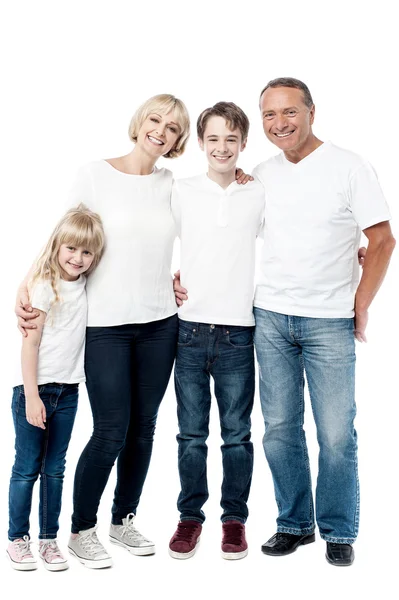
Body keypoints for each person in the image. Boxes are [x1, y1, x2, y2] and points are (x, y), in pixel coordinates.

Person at [15, 94, 191, 569]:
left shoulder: (171, 183)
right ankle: (82, 529)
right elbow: (63, 239)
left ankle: (123, 520)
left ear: (178, 140)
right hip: (106, 327)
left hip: (160, 324)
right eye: (155, 119)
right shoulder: (94, 174)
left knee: (144, 428)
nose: (161, 130)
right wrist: (24, 283)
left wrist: (239, 177)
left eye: (173, 127)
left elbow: (205, 229)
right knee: (111, 428)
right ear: (140, 122)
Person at [252, 78, 395, 566]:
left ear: (312, 112)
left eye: (289, 112)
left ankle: (338, 528)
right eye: (269, 115)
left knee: (336, 433)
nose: (279, 124)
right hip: (270, 316)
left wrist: (362, 300)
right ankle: (294, 523)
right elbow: (230, 233)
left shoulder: (349, 166)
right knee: (279, 429)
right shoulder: (261, 174)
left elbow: (382, 240)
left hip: (329, 321)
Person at [168, 103, 264, 561]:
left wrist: (355, 252)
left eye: (231, 139)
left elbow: (296, 235)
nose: (222, 147)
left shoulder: (258, 191)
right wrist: (164, 279)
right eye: (213, 139)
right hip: (188, 330)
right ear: (201, 143)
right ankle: (190, 517)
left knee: (237, 434)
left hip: (238, 333)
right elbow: (149, 238)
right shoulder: (181, 190)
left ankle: (234, 520)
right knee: (190, 434)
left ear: (243, 143)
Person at [7, 205, 105, 571]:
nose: (77, 258)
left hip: (68, 391)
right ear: (57, 246)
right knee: (27, 468)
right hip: (35, 391)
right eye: (71, 249)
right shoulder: (44, 285)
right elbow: (29, 344)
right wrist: (32, 396)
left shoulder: (84, 284)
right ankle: (18, 538)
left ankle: (48, 539)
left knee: (55, 469)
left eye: (86, 252)